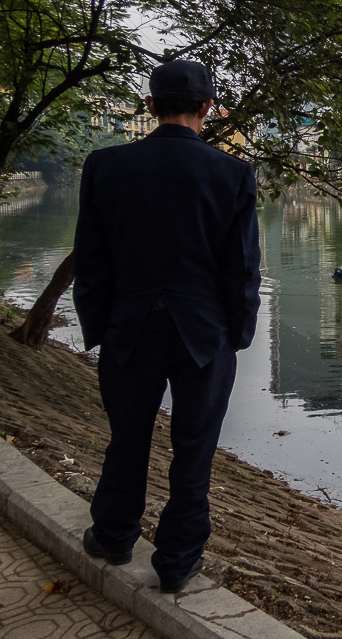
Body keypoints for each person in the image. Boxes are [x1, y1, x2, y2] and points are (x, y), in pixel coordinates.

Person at [73, 60, 261, 594]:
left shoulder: (105, 166)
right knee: (194, 449)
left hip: (128, 327)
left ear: (150, 106)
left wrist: (100, 327)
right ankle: (177, 561)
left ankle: (113, 535)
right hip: (204, 335)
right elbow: (242, 268)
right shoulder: (232, 173)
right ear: (208, 109)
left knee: (126, 439)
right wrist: (237, 335)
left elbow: (91, 261)